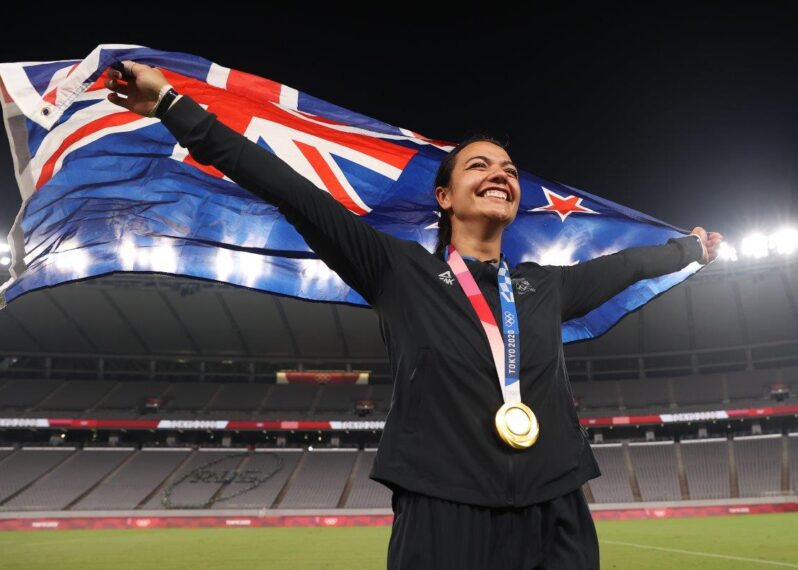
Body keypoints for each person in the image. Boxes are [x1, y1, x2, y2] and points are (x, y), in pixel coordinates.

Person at [105, 62, 722, 569]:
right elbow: (287, 188)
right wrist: (172, 107)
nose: (501, 175)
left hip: (554, 505)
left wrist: (691, 249)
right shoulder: (396, 271)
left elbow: (631, 266)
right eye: (480, 166)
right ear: (444, 197)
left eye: (508, 170)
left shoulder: (544, 287)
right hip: (444, 510)